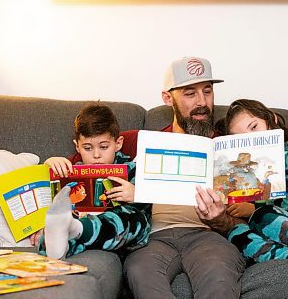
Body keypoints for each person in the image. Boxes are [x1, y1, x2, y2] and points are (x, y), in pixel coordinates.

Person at [123, 57, 245, 299]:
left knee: (219, 280)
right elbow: (90, 156)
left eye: (207, 91)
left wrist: (222, 218)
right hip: (154, 238)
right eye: (190, 93)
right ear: (168, 98)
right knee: (140, 272)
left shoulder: (229, 148)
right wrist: (57, 163)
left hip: (208, 236)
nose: (202, 102)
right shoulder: (140, 141)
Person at [197, 99, 288, 288]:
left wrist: (253, 208)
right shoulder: (245, 167)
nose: (251, 139)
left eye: (254, 127)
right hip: (256, 226)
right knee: (236, 233)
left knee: (262, 214)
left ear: (271, 119)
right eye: (242, 138)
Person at [37, 103, 151, 259]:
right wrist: (49, 165)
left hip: (120, 233)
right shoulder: (72, 170)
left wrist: (137, 194)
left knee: (137, 219)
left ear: (118, 144)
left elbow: (151, 204)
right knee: (57, 224)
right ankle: (57, 243)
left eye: (104, 147)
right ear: (77, 147)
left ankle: (76, 230)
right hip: (81, 220)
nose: (96, 155)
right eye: (88, 148)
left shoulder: (131, 169)